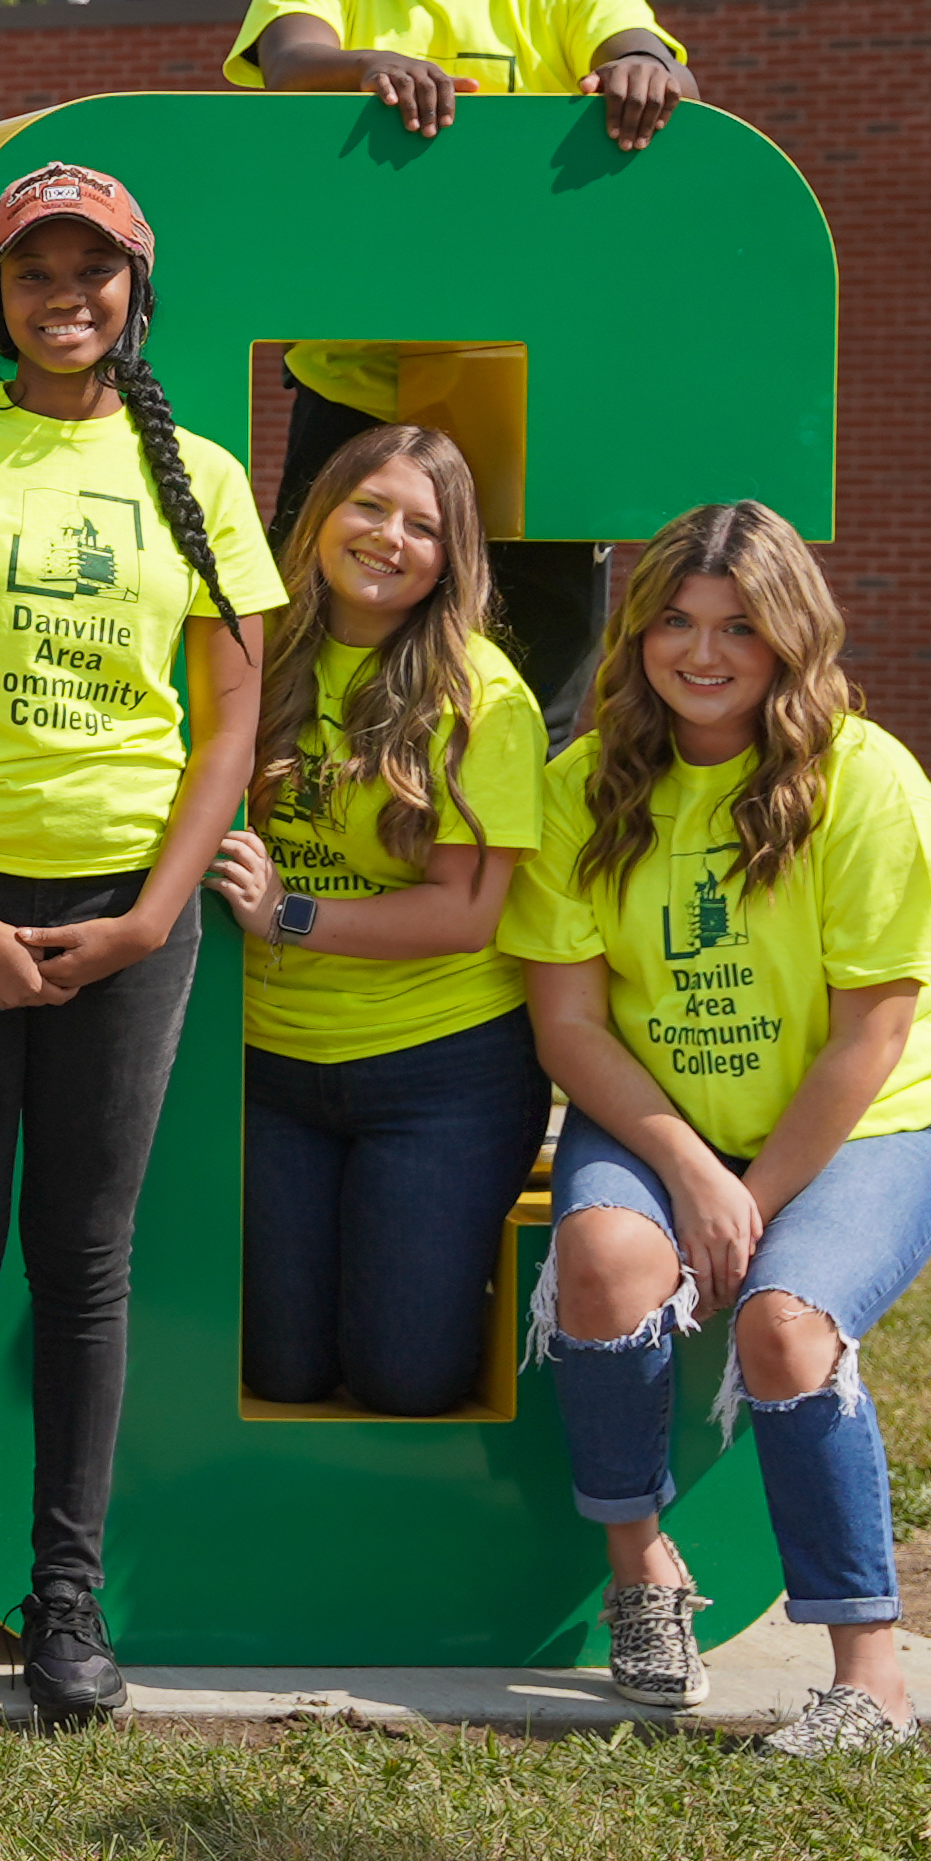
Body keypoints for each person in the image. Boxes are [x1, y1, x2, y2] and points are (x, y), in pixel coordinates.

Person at [0, 160, 279, 1731]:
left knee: (83, 1265)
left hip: (127, 907)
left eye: (94, 272)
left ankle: (67, 1601)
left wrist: (152, 913)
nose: (64, 297)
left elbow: (230, 719)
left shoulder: (204, 480)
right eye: (35, 272)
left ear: (135, 295)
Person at [509, 505, 931, 1754]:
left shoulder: (864, 778)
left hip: (876, 1120)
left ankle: (868, 1680)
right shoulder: (580, 785)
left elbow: (871, 1035)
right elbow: (570, 1030)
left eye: (738, 629)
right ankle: (644, 1574)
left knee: (783, 1325)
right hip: (664, 1116)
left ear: (790, 640)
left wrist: (752, 1200)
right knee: (604, 1264)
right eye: (673, 620)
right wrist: (688, 1168)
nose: (701, 653)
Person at [227, 0, 693, 708]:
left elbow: (644, 53)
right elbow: (291, 60)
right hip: (357, 386)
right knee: (316, 663)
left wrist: (645, 67)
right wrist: (367, 64)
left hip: (528, 396)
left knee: (536, 682)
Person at [199, 422, 553, 1417]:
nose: (389, 536)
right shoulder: (253, 659)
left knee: (405, 1377)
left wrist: (290, 914)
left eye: (423, 525)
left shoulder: (481, 693)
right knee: (282, 1372)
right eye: (369, 505)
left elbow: (468, 912)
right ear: (320, 514)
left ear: (452, 558)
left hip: (438, 1071)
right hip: (270, 1068)